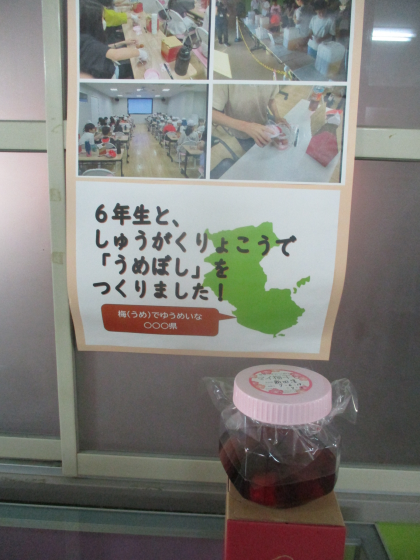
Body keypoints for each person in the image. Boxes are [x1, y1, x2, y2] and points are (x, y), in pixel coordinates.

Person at [212, 85, 289, 152]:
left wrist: (277, 116)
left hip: (264, 122)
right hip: (243, 133)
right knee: (257, 157)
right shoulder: (223, 78)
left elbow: (271, 98)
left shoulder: (271, 74)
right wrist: (246, 126)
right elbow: (211, 114)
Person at [79, 0, 142, 79]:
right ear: (93, 21)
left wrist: (123, 42)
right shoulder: (87, 43)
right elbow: (115, 55)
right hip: (110, 74)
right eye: (103, 18)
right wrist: (140, 52)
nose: (104, 21)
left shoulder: (84, 38)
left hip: (108, 69)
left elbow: (103, 48)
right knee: (135, 68)